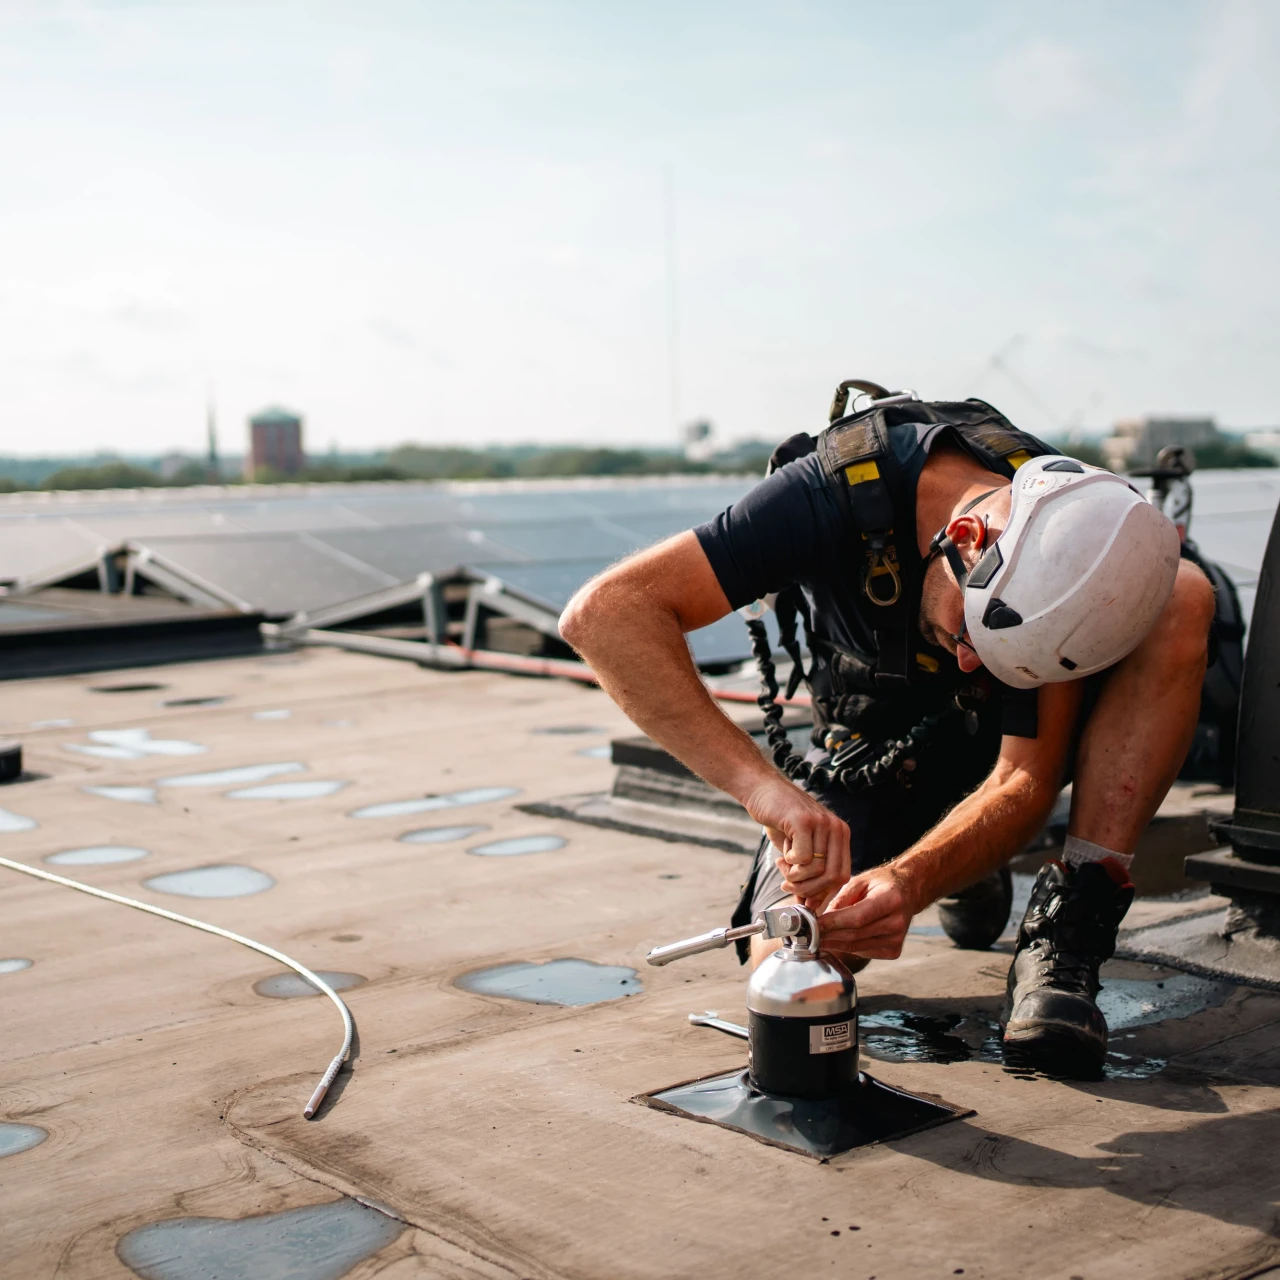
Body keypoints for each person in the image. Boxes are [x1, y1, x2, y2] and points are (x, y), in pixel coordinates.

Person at [560, 385, 1219, 1079]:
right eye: (974, 634)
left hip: (996, 749)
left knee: (1182, 592)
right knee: (797, 953)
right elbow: (606, 615)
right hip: (874, 749)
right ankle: (961, 859)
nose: (972, 661)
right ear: (965, 539)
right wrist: (769, 793)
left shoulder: (1066, 536)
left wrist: (905, 884)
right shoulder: (826, 495)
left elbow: (1025, 777)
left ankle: (1065, 934)